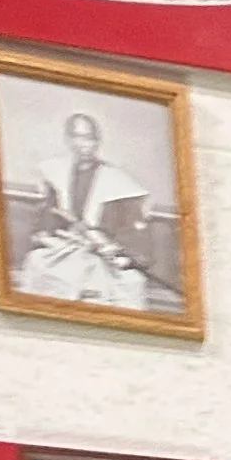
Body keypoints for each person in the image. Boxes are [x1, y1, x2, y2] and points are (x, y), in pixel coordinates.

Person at [17, 112, 155, 311]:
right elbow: (48, 218)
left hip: (103, 250)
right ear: (68, 140)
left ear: (97, 141)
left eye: (88, 137)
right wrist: (44, 235)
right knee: (37, 262)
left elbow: (130, 227)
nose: (82, 144)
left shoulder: (116, 180)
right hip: (67, 246)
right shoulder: (57, 173)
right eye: (76, 137)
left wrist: (117, 250)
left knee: (129, 283)